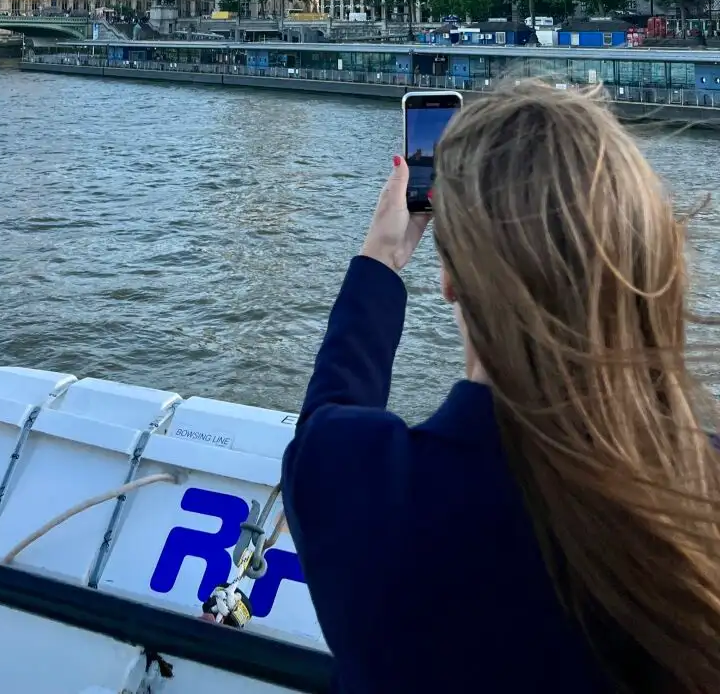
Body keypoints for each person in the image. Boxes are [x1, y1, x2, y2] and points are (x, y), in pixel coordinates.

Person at [281, 81, 720, 693]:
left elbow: (328, 414)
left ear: (452, 281)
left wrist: (378, 260)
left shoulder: (362, 486)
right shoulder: (701, 490)